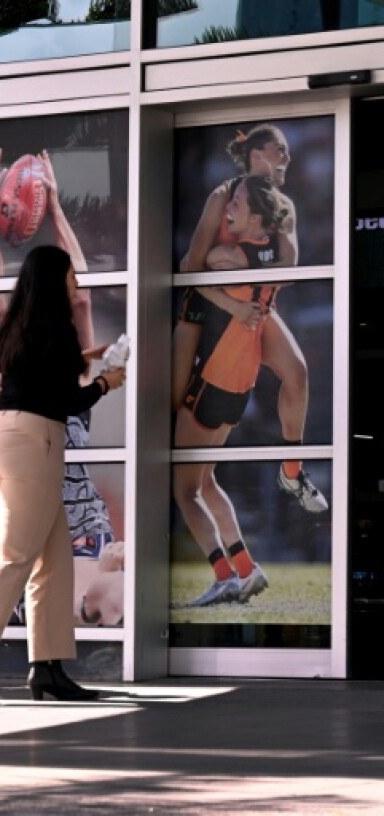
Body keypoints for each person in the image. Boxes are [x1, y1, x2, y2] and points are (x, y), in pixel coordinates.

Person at [0, 243, 127, 706]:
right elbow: (67, 402)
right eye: (71, 273)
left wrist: (94, 356)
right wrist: (107, 382)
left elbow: (44, 377)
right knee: (14, 558)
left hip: (11, 438)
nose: (77, 281)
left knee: (54, 563)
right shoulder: (56, 330)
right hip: (36, 443)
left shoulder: (26, 325)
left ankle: (47, 670)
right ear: (55, 278)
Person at [175, 123, 327, 514]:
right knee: (173, 409)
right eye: (281, 149)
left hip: (258, 309)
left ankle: (291, 471)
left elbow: (289, 268)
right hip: (208, 312)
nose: (287, 158)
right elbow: (191, 267)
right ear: (257, 154)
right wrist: (233, 300)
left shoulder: (284, 206)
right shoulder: (222, 197)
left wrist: (243, 262)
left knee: (298, 373)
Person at [171, 175, 289, 607]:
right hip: (242, 383)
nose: (229, 210)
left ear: (257, 216)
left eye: (237, 204)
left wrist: (232, 304)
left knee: (185, 489)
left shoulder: (227, 256)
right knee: (206, 481)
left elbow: (191, 274)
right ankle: (247, 568)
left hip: (216, 378)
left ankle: (224, 577)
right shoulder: (274, 256)